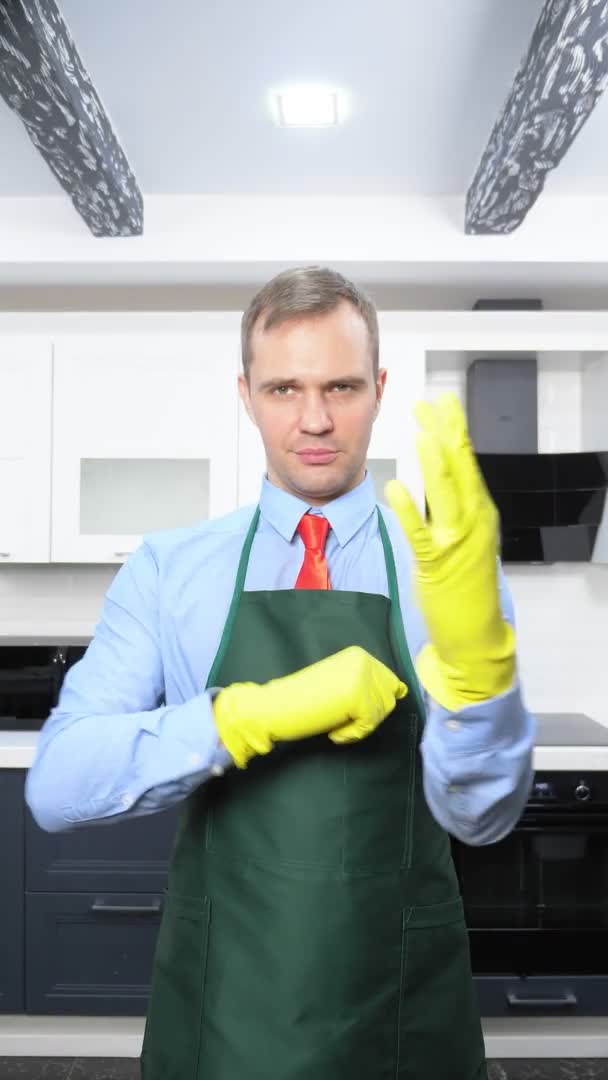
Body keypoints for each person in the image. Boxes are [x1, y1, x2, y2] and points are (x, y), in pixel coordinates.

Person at [26, 266, 535, 1080]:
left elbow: (480, 821)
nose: (315, 419)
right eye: (283, 389)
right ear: (246, 393)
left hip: (402, 1004)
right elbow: (57, 785)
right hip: (226, 1004)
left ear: (380, 388)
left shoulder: (446, 569)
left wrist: (480, 682)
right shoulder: (169, 570)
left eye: (341, 385)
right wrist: (242, 717)